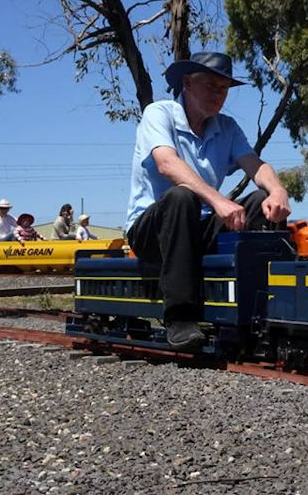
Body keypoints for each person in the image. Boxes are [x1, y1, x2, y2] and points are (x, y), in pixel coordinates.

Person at [124, 52, 291, 351]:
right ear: (187, 83)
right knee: (181, 196)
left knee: (259, 202)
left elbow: (256, 165)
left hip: (197, 228)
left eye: (224, 88)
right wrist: (218, 200)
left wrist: (278, 191)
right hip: (152, 230)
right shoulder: (158, 113)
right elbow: (166, 164)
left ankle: (266, 303)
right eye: (212, 86)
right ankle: (180, 318)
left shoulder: (226, 127)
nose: (219, 94)